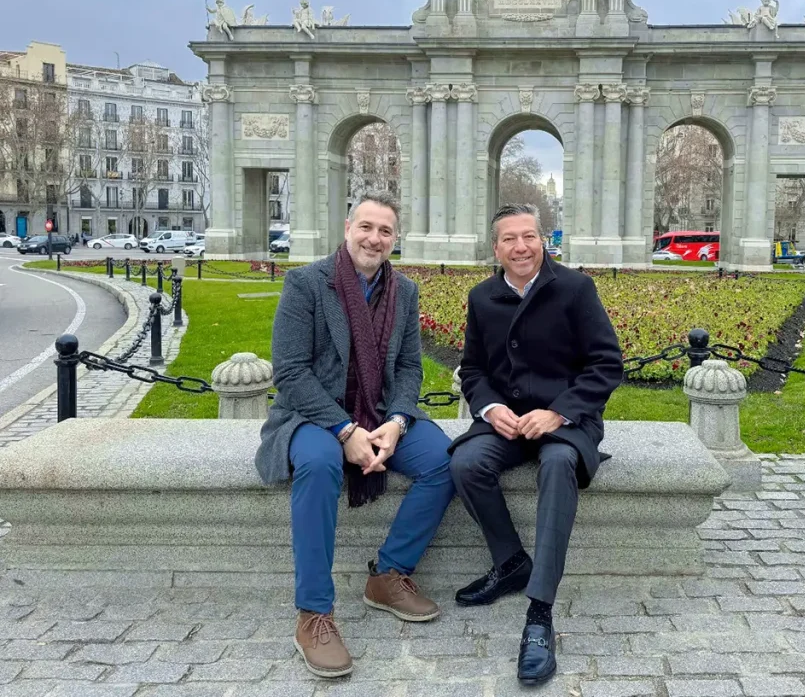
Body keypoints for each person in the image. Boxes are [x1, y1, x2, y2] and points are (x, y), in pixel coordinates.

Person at [254, 192, 455, 679]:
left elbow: (409, 367)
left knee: (447, 459)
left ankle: (388, 575)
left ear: (395, 239)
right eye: (366, 227)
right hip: (311, 415)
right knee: (321, 464)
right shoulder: (306, 283)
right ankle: (314, 614)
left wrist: (398, 422)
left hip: (381, 414)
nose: (374, 238)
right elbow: (292, 372)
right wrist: (344, 429)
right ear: (347, 229)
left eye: (385, 231)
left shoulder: (403, 291)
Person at [448, 203, 624, 686]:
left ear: (542, 240)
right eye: (510, 239)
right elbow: (474, 369)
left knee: (558, 464)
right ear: (496, 247)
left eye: (529, 236)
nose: (521, 247)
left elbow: (606, 364)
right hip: (508, 424)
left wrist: (560, 411)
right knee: (465, 463)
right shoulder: (482, 296)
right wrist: (489, 408)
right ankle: (510, 563)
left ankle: (540, 613)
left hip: (566, 422)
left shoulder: (574, 288)